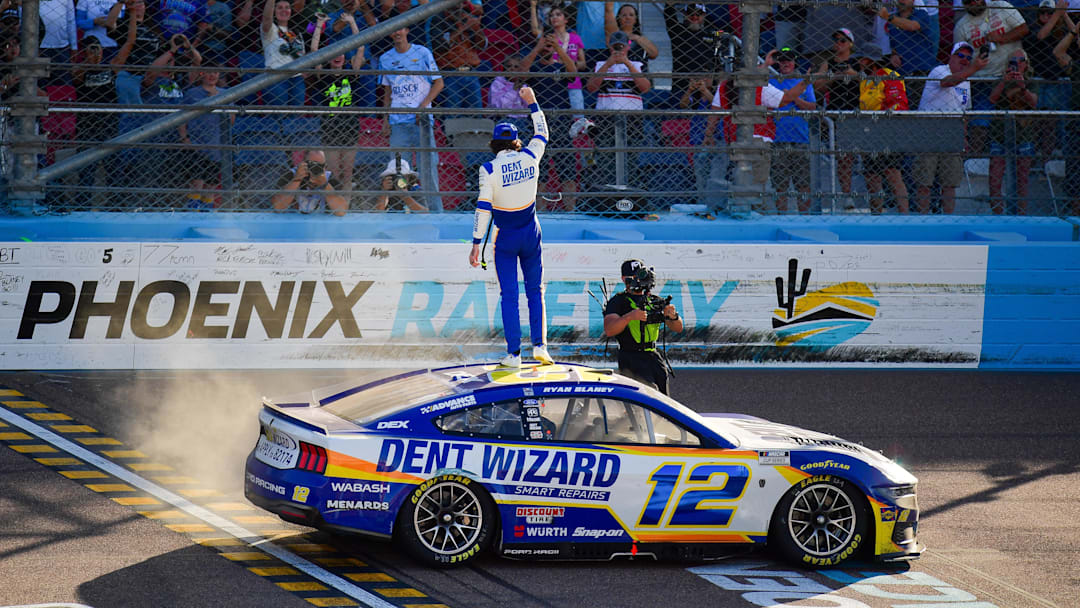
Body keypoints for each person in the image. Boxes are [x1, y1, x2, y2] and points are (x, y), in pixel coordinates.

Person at [467, 86, 552, 368]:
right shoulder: (531, 156)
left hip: (505, 237)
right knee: (535, 291)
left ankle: (514, 355)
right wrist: (533, 102)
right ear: (517, 142)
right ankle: (541, 348)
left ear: (493, 144)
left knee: (510, 296)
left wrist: (476, 244)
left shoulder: (488, 170)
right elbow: (543, 133)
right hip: (531, 230)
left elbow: (483, 208)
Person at [915, 41, 988, 214]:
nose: (964, 60)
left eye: (968, 58)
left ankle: (948, 218)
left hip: (953, 132)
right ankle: (922, 220)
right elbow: (947, 82)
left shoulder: (966, 81)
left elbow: (964, 113)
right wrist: (974, 68)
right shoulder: (940, 70)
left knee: (950, 183)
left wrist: (963, 137)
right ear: (951, 57)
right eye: (960, 56)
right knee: (925, 181)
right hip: (929, 130)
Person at [378, 17, 443, 210]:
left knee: (427, 168)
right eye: (393, 30)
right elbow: (387, 93)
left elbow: (439, 83)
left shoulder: (422, 53)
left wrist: (422, 107)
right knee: (398, 170)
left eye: (400, 29)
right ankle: (403, 209)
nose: (397, 33)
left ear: (407, 30)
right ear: (390, 33)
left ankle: (434, 211)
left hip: (421, 121)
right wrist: (385, 120)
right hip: (397, 121)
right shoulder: (385, 59)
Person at [603, 259, 683, 395]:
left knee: (663, 398)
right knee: (645, 396)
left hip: (653, 356)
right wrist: (629, 317)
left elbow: (678, 328)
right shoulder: (618, 302)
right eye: (634, 277)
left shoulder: (654, 300)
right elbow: (609, 329)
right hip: (631, 357)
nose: (639, 281)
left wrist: (673, 316)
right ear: (624, 279)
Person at [585, 30, 650, 187]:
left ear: (628, 47)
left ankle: (629, 191)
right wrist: (609, 64)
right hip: (606, 117)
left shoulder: (637, 64)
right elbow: (591, 87)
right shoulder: (601, 64)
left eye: (621, 47)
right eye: (615, 47)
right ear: (610, 47)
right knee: (606, 157)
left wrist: (627, 63)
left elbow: (645, 88)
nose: (618, 51)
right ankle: (608, 191)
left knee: (631, 157)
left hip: (632, 117)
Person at [309, 10, 365, 192]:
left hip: (349, 126)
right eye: (334, 52)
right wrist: (319, 26)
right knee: (333, 173)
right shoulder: (323, 75)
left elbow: (360, 47)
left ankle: (345, 206)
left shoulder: (351, 73)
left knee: (347, 173)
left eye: (341, 52)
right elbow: (314, 52)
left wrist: (352, 22)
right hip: (330, 127)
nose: (338, 55)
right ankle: (333, 206)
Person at [857, 43, 910, 214]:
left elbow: (898, 105)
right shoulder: (865, 81)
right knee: (871, 176)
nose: (858, 62)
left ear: (869, 60)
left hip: (889, 131)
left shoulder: (890, 75)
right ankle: (876, 215)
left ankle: (905, 216)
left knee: (892, 173)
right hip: (869, 133)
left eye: (861, 59)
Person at [814, 28, 860, 210]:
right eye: (836, 40)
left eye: (842, 40)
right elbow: (817, 87)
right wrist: (834, 78)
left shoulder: (857, 62)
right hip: (837, 112)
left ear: (850, 43)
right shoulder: (828, 63)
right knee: (844, 158)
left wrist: (852, 75)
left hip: (857, 112)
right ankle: (847, 195)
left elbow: (871, 81)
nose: (838, 44)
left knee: (859, 157)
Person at [988, 48, 1037, 215]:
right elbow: (992, 99)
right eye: (1012, 62)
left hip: (1024, 134)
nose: (1016, 65)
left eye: (1020, 61)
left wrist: (1022, 86)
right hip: (999, 133)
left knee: (1022, 178)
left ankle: (1021, 214)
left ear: (1026, 64)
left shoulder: (1031, 81)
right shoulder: (1000, 79)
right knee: (995, 177)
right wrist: (1004, 82)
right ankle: (997, 214)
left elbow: (1034, 103)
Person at [770, 46, 816, 214]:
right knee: (780, 183)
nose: (786, 63)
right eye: (782, 60)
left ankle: (804, 215)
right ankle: (782, 215)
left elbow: (812, 107)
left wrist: (792, 96)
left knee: (802, 183)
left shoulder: (802, 82)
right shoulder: (772, 81)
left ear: (794, 62)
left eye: (789, 60)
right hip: (777, 139)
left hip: (800, 139)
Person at [272, 149, 349, 215]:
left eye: (320, 166)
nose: (316, 168)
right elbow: (278, 207)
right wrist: (297, 180)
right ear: (303, 164)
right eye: (312, 164)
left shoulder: (329, 178)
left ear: (325, 167)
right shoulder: (291, 175)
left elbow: (341, 211)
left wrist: (325, 184)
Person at [261, 0, 305, 105]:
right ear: (274, 11)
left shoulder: (296, 33)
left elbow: (301, 55)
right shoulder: (270, 29)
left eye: (287, 7)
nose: (284, 10)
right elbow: (267, 18)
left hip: (296, 78)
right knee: (277, 114)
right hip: (276, 76)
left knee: (296, 115)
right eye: (279, 8)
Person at [603, 1, 657, 68]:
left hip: (638, 74)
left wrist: (637, 38)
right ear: (618, 19)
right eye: (624, 15)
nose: (627, 17)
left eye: (631, 15)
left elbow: (654, 54)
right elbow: (608, 11)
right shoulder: (614, 35)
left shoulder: (640, 38)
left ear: (635, 19)